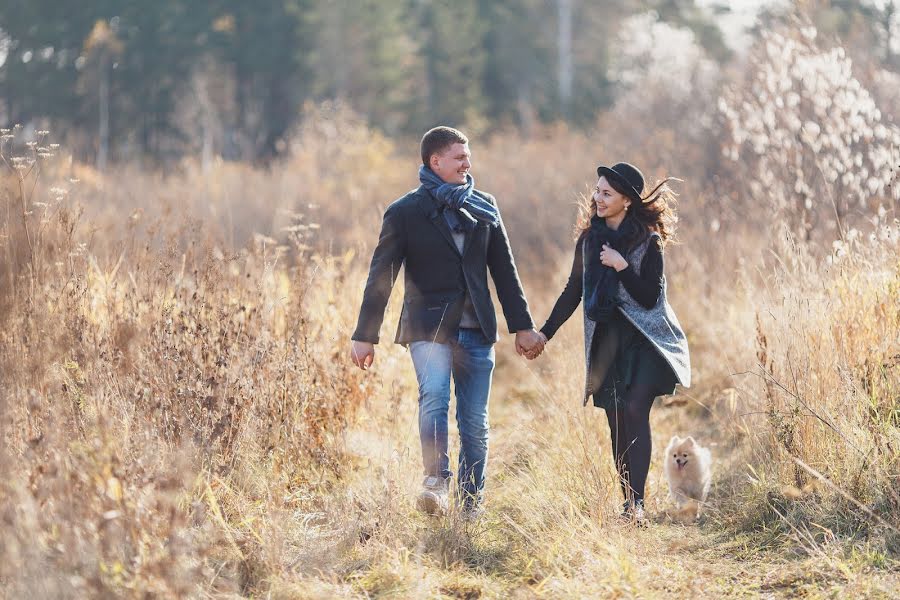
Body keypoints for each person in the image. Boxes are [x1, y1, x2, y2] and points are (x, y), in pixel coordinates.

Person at [349, 126, 545, 517]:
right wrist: (364, 335)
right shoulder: (405, 211)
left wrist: (522, 325)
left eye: (468, 157)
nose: (467, 164)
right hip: (428, 326)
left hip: (477, 329)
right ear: (434, 161)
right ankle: (436, 481)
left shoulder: (485, 207)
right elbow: (381, 275)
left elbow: (504, 271)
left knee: (474, 420)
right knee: (435, 398)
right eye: (459, 157)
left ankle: (471, 504)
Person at [529, 162, 691, 524]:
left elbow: (650, 297)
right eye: (597, 191)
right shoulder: (589, 241)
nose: (598, 198)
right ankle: (629, 504)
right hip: (607, 340)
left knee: (635, 410)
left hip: (646, 340)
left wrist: (621, 266)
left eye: (607, 194)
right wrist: (544, 333)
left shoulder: (649, 242)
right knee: (617, 420)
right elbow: (574, 291)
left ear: (627, 202)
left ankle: (638, 505)